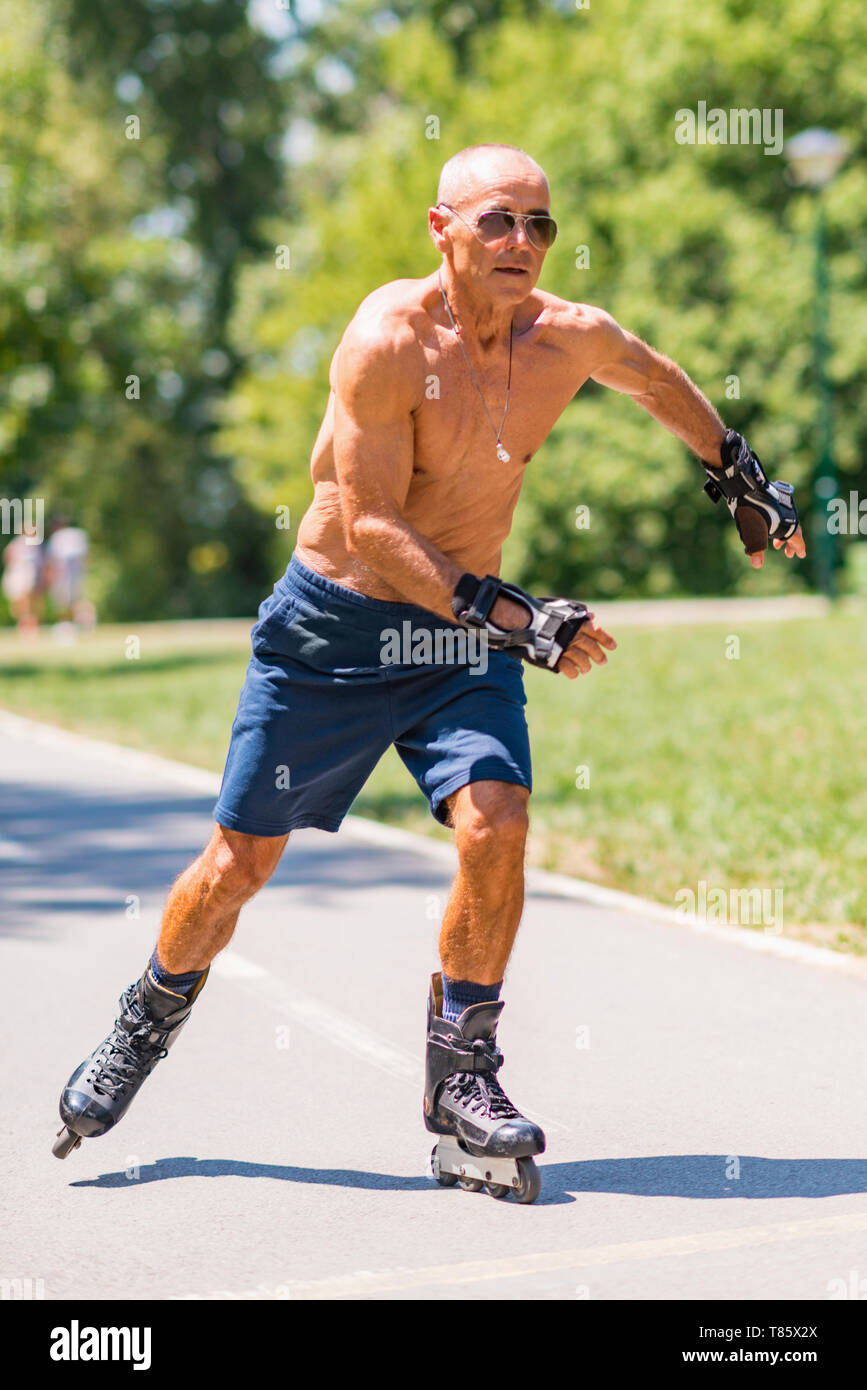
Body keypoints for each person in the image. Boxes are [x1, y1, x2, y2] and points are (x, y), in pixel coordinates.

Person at [53, 145, 805, 1196]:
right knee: (238, 866)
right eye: (499, 220)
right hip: (335, 632)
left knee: (496, 822)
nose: (523, 244)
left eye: (541, 225)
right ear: (441, 229)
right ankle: (147, 1017)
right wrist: (515, 614)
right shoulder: (387, 340)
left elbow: (651, 376)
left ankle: (462, 1077)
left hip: (460, 642)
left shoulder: (565, 336)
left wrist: (737, 474)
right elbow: (367, 527)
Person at [2, 524, 45, 634]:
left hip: (32, 577)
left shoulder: (36, 544)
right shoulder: (18, 543)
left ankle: (31, 625)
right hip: (21, 577)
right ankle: (24, 624)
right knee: (21, 603)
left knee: (32, 603)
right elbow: (8, 557)